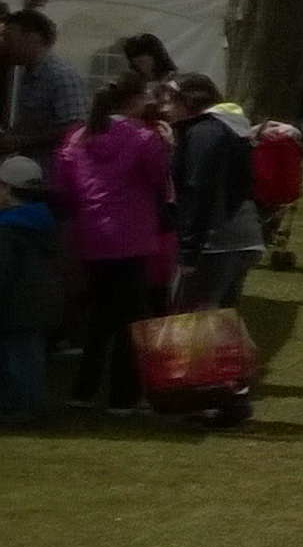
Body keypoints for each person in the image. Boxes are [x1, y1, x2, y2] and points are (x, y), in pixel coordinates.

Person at [54, 73, 170, 413]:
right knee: (133, 319)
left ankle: (84, 390)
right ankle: (123, 395)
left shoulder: (79, 137)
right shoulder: (143, 139)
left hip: (92, 235)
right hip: (131, 237)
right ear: (134, 99)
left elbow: (64, 183)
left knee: (100, 314)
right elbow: (160, 178)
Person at [168, 75, 264, 313]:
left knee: (198, 318)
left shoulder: (205, 132)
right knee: (222, 316)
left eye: (171, 101)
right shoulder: (225, 127)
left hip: (216, 241)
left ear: (188, 102)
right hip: (241, 236)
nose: (165, 108)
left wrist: (189, 254)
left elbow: (198, 189)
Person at [0, 154, 58, 421]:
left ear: (8, 189)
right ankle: (26, 405)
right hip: (42, 303)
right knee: (29, 357)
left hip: (15, 305)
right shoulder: (45, 222)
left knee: (18, 360)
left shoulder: (9, 229)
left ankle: (22, 409)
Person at [3, 6, 89, 154]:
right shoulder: (27, 75)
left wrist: (21, 141)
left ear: (32, 38)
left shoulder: (61, 76)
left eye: (9, 39)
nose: (5, 45)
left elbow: (75, 128)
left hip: (52, 169)